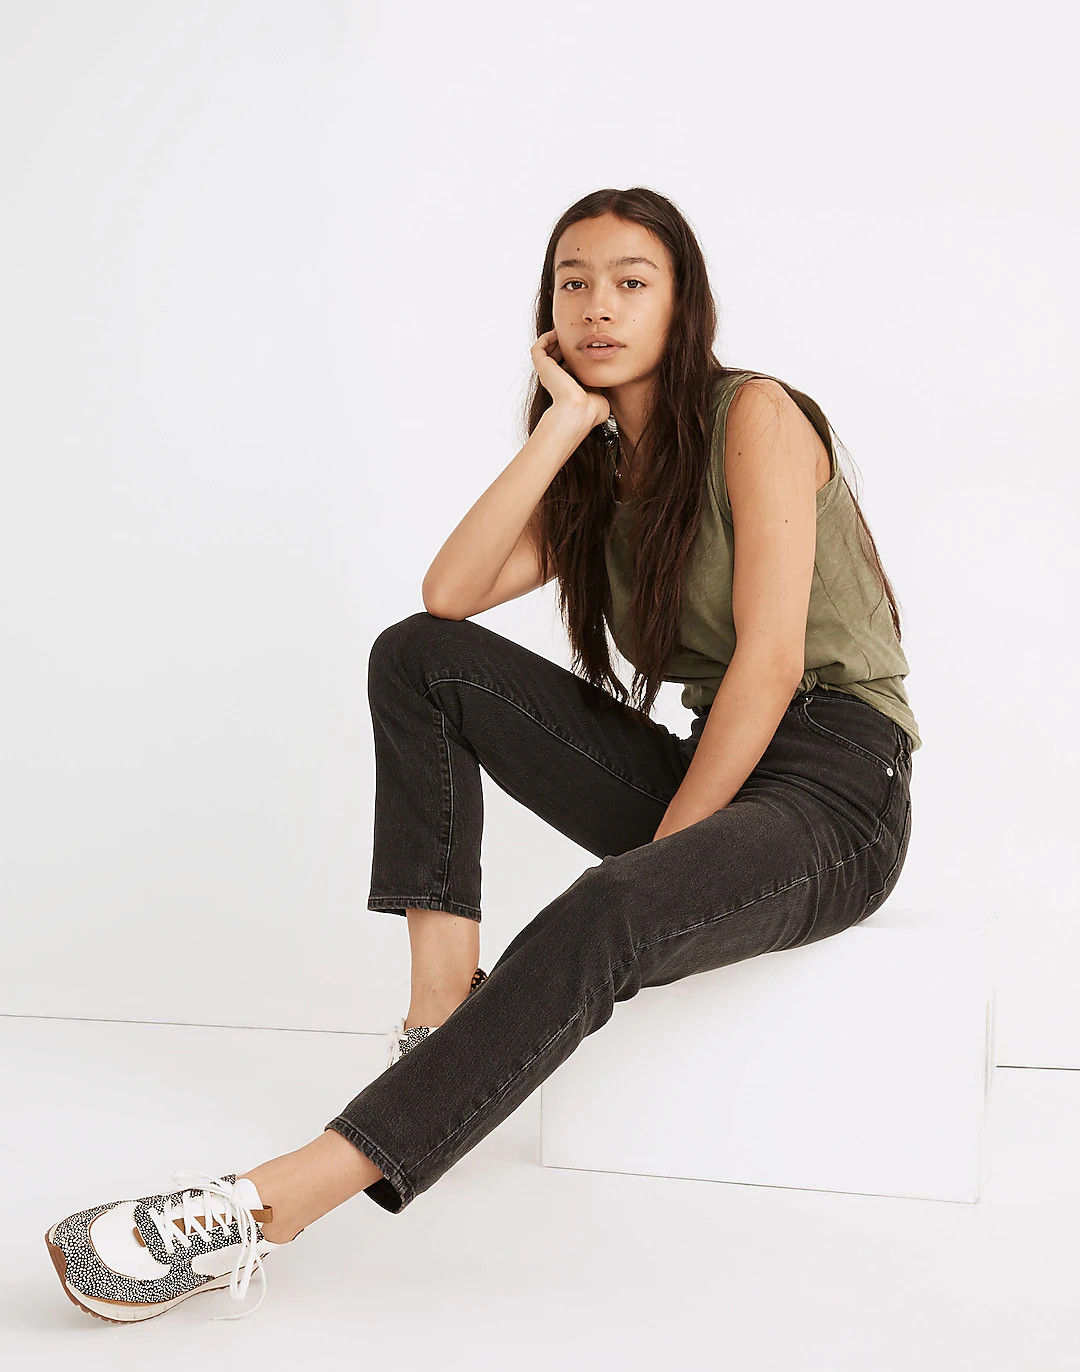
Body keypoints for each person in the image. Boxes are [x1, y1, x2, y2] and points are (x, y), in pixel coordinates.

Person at [44, 187, 919, 1324]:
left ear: (683, 302)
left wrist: (656, 872)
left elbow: (766, 664)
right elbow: (447, 595)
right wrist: (562, 428)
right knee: (419, 658)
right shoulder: (603, 471)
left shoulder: (754, 415)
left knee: (611, 905)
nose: (599, 306)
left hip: (838, 790)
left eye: (632, 282)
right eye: (574, 282)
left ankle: (265, 1207)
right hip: (721, 762)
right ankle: (440, 1014)